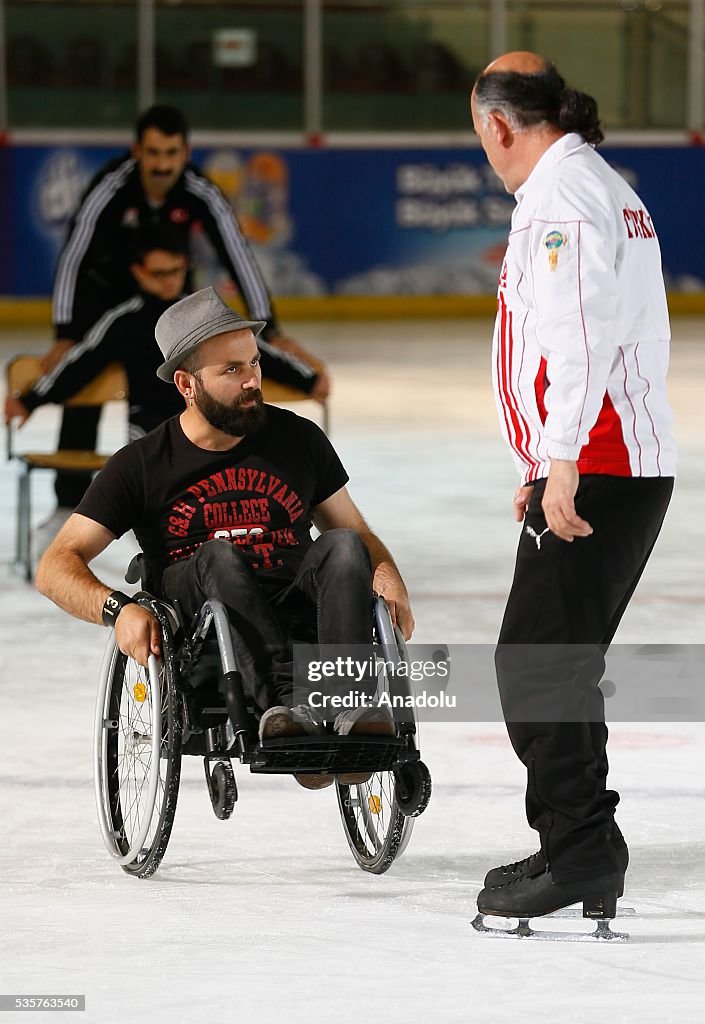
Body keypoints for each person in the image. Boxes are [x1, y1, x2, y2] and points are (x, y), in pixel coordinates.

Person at [35, 287, 413, 791]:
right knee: (218, 553)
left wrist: (386, 575)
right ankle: (283, 707)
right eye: (231, 370)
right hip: (203, 624)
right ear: (188, 384)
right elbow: (56, 564)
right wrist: (118, 609)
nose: (252, 379)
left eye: (253, 364)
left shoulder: (296, 439)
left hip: (292, 601)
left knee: (344, 547)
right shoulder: (142, 464)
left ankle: (347, 710)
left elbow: (356, 531)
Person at [469, 53, 676, 922]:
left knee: (536, 667)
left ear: (497, 126)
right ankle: (574, 842)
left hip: (598, 466)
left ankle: (583, 851)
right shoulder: (592, 184)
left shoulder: (562, 199)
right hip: (599, 462)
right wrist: (544, 462)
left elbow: (576, 336)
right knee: (550, 664)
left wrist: (559, 463)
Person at [42, 103, 330, 535]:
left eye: (171, 154)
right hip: (104, 299)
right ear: (138, 150)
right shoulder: (111, 187)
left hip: (171, 299)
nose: (162, 165)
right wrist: (65, 333)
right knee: (83, 383)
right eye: (153, 153)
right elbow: (74, 255)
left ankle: (188, 486)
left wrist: (274, 326)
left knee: (189, 379)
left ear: (184, 152)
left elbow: (239, 256)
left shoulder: (200, 191)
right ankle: (68, 505)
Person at [5, 227, 328, 445]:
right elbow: (80, 365)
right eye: (160, 273)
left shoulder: (204, 315)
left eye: (176, 271)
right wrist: (29, 401)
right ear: (139, 272)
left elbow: (254, 352)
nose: (170, 281)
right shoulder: (124, 321)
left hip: (205, 422)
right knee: (154, 458)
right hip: (150, 430)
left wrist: (309, 380)